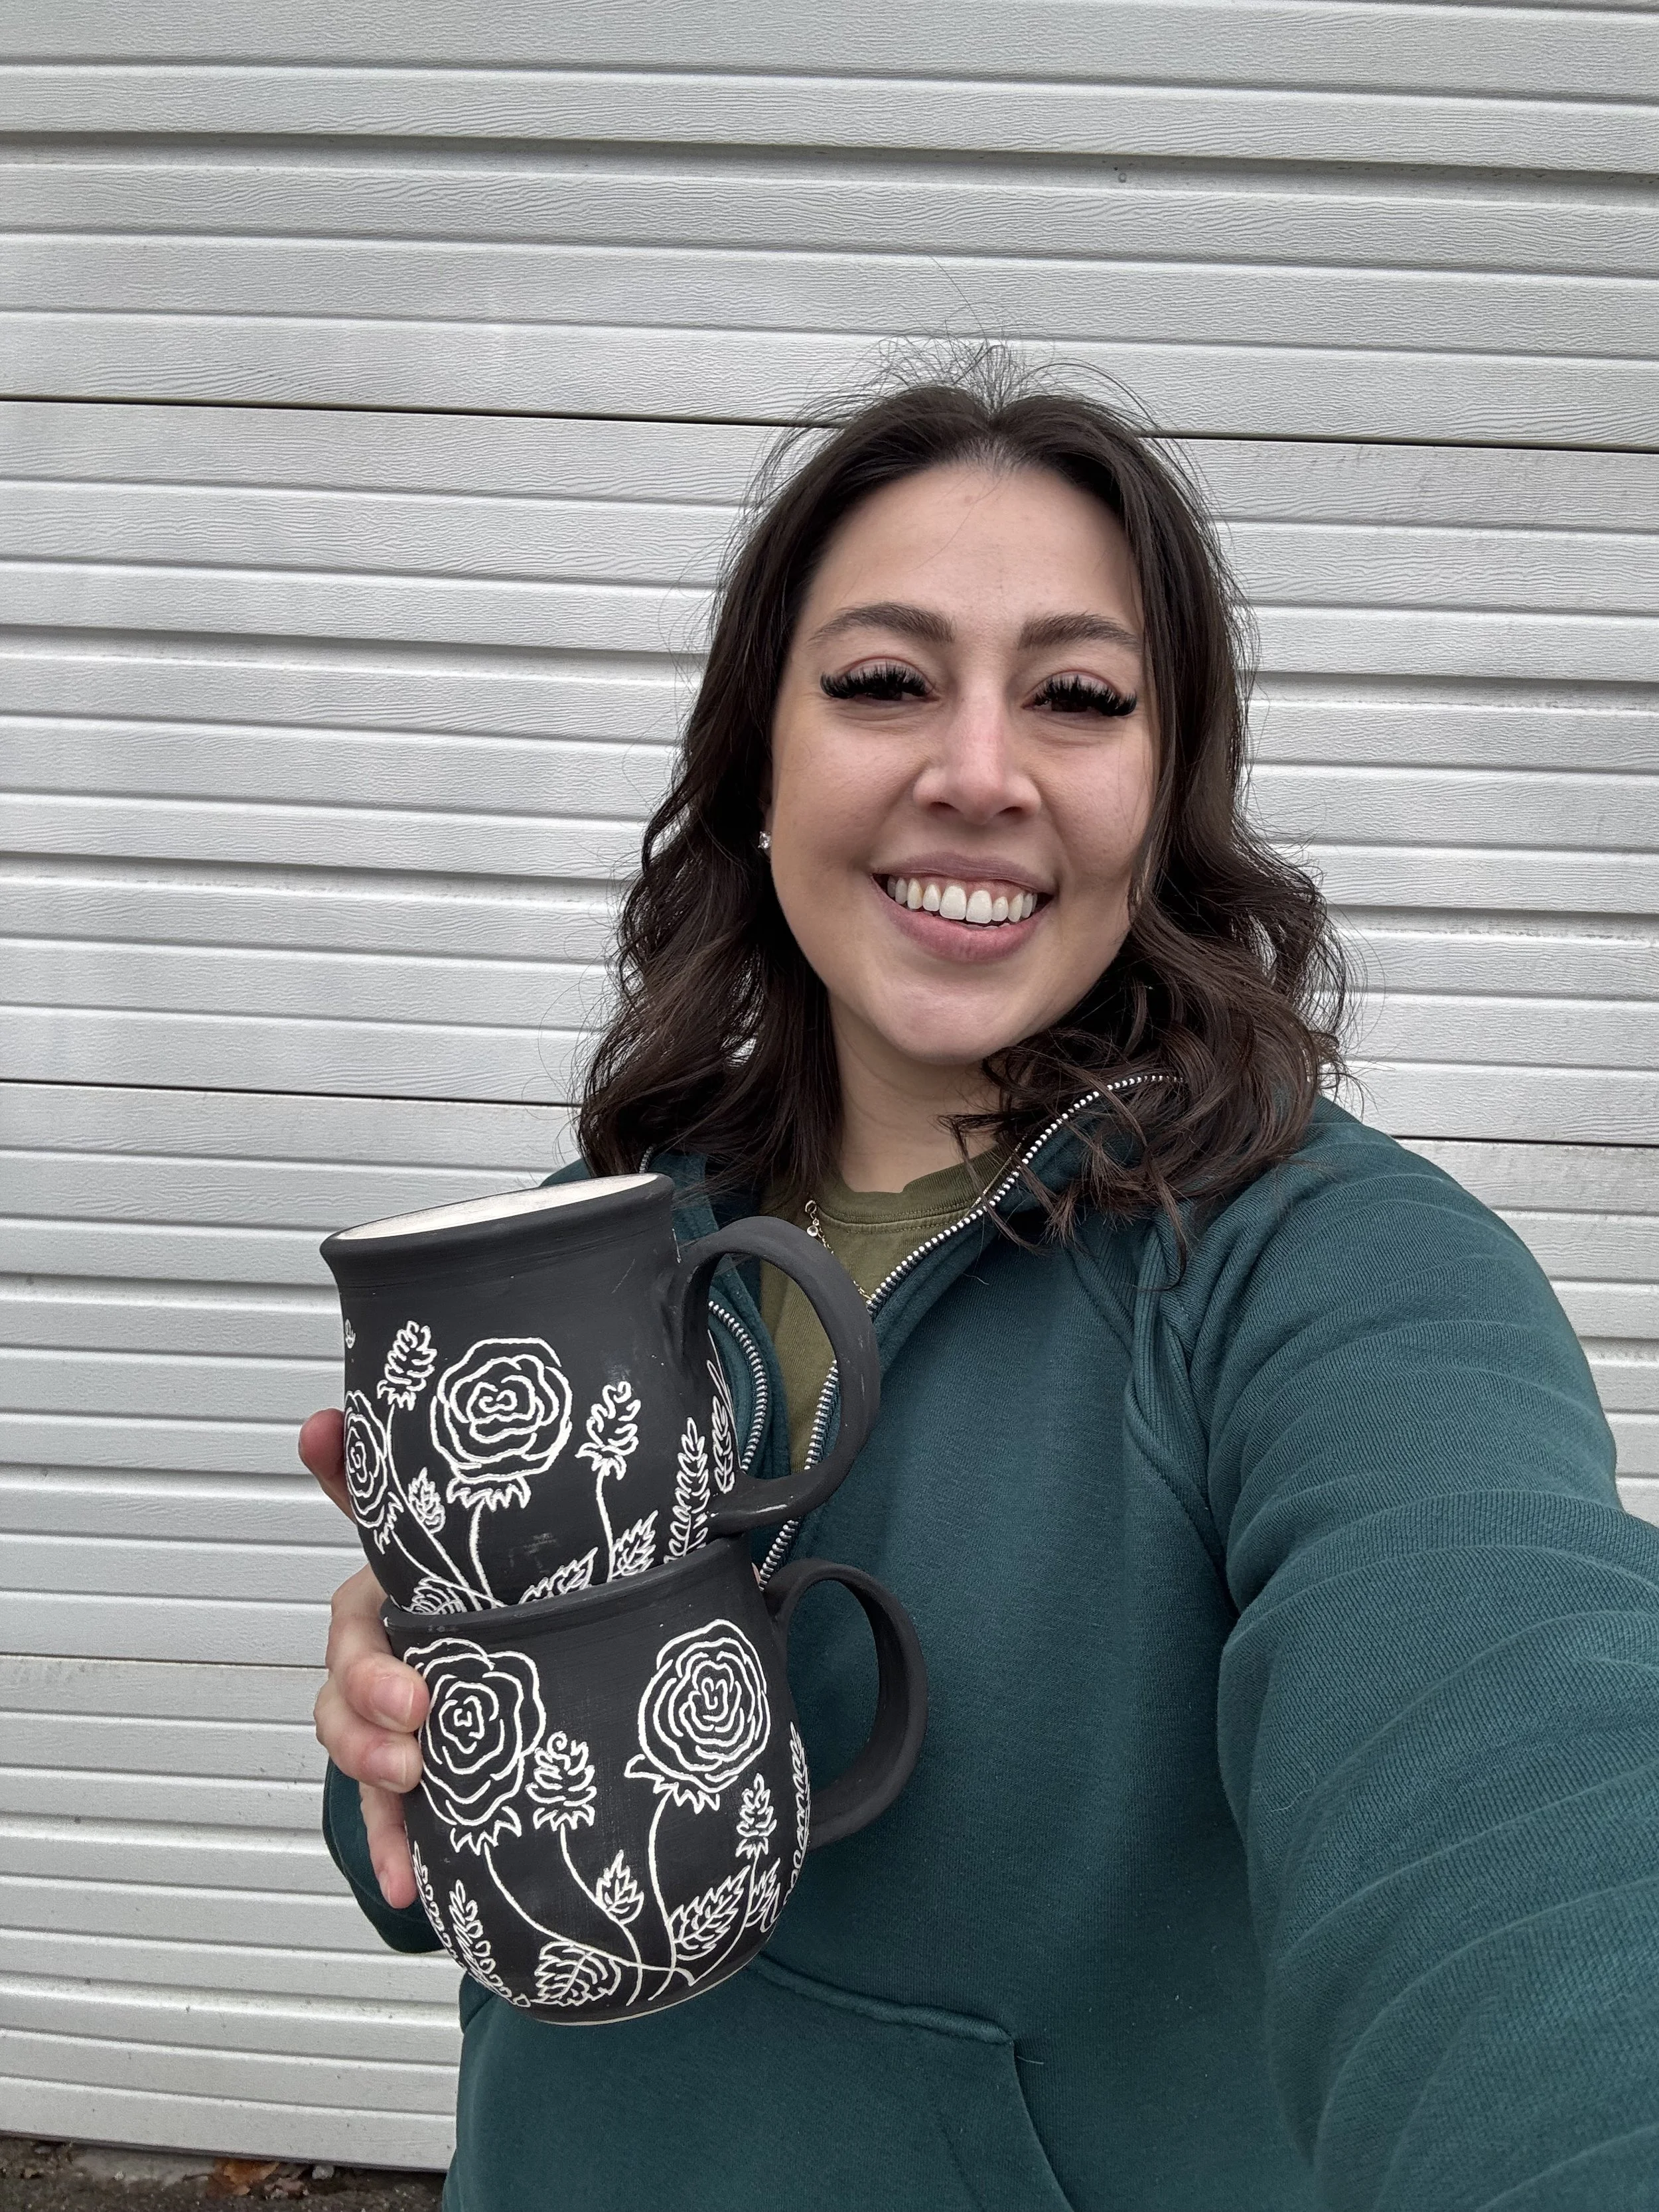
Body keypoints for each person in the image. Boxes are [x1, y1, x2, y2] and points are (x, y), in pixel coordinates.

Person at [303, 359, 1659, 2211]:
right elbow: (433, 1897)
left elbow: (1518, 1778)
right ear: (752, 764)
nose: (976, 770)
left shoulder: (1333, 1281)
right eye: (880, 681)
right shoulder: (582, 1248)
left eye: (1077, 696)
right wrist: (394, 1704)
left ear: (1161, 789)